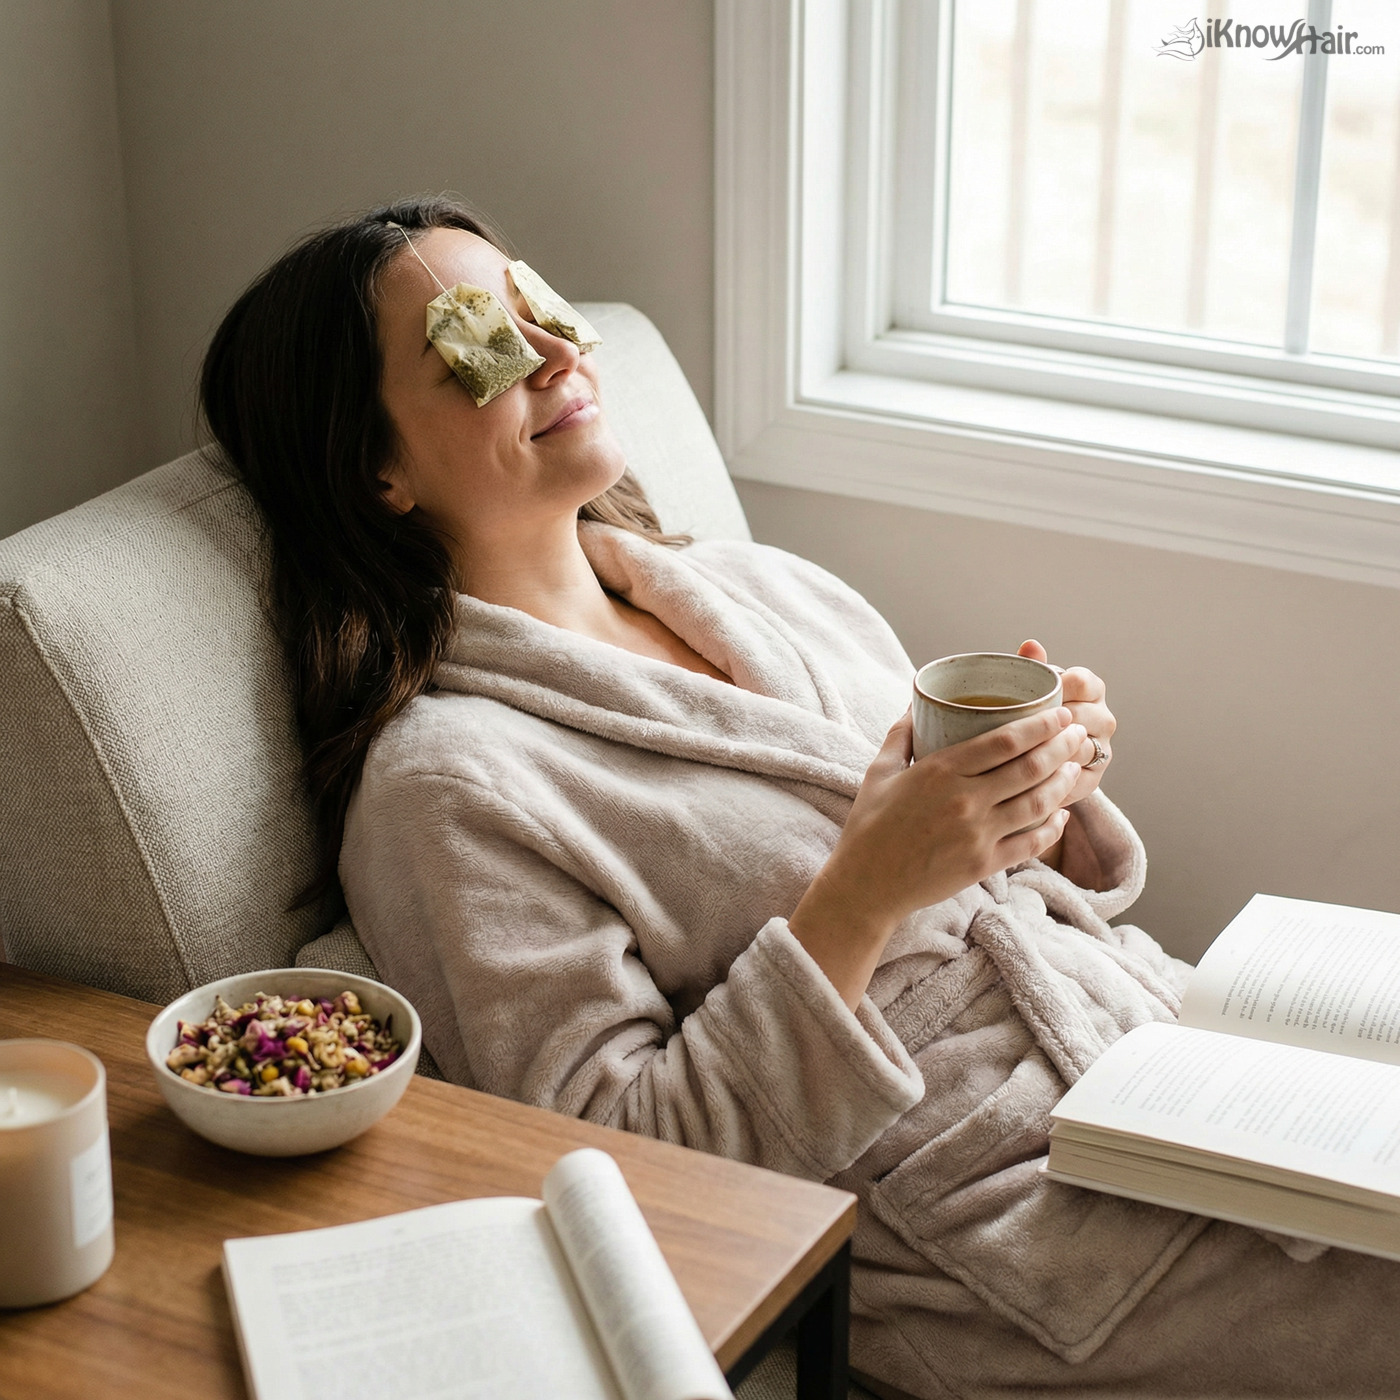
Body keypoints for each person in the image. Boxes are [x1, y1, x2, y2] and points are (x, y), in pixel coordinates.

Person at [201, 196, 1400, 1398]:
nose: (559, 353)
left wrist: (1036, 789)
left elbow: (977, 873)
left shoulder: (753, 585)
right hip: (1004, 1226)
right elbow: (620, 1166)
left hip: (1154, 1057)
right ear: (377, 470)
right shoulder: (448, 785)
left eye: (538, 309)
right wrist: (863, 893)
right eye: (477, 346)